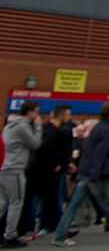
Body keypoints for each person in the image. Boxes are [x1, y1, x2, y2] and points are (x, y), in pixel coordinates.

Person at [51, 102, 109, 246]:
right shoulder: (107, 129)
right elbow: (101, 153)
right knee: (105, 202)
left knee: (74, 204)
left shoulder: (98, 127)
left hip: (86, 170)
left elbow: (93, 150)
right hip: (97, 172)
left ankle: (59, 235)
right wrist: (95, 174)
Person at [26, 106, 74, 241]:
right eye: (68, 115)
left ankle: (53, 228)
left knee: (48, 202)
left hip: (40, 170)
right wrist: (59, 163)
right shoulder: (52, 132)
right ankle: (53, 230)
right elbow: (47, 150)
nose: (69, 117)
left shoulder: (47, 130)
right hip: (44, 171)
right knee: (49, 201)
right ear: (61, 116)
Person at [1, 101, 40, 248]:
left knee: (3, 202)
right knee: (16, 203)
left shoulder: (9, 125)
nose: (37, 115)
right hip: (15, 168)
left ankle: (7, 234)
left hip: (5, 166)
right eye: (36, 111)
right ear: (29, 112)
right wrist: (37, 127)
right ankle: (9, 236)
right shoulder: (22, 126)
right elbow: (35, 143)